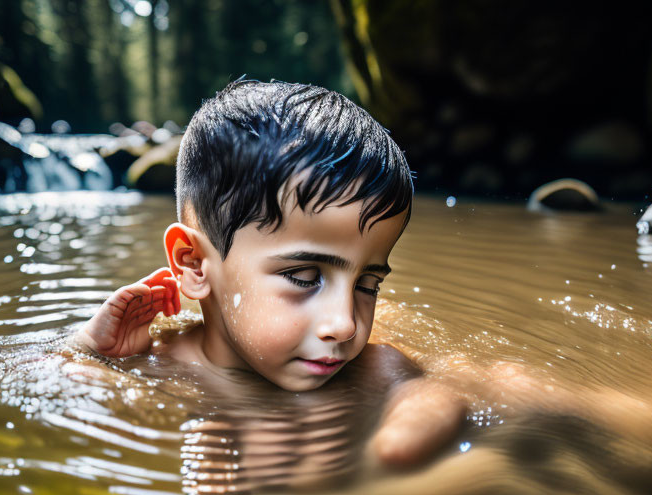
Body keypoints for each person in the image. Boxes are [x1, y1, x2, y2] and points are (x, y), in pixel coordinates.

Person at [75, 79, 467, 468]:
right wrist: (88, 354)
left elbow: (445, 394)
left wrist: (393, 445)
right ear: (195, 264)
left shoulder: (373, 368)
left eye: (368, 284)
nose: (345, 324)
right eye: (304, 277)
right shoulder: (155, 362)